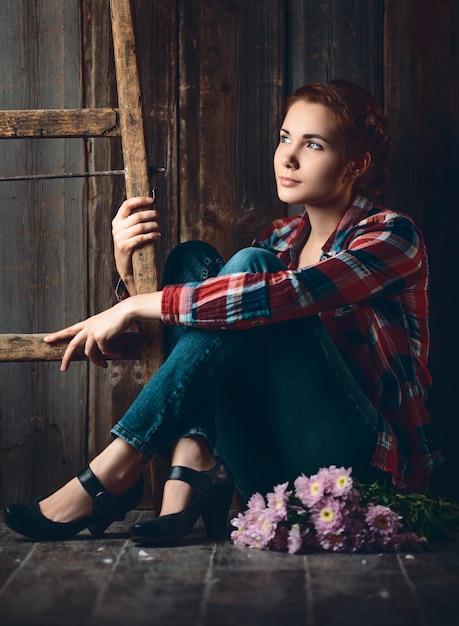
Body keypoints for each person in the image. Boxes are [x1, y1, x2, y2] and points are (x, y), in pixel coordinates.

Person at [3, 79, 443, 544]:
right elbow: (206, 333)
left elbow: (279, 296)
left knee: (249, 276)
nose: (288, 157)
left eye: (312, 145)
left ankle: (121, 461)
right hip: (269, 477)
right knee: (193, 260)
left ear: (357, 164)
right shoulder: (278, 240)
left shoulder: (392, 236)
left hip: (360, 474)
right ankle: (192, 462)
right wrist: (129, 271)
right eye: (284, 138)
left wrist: (137, 304)